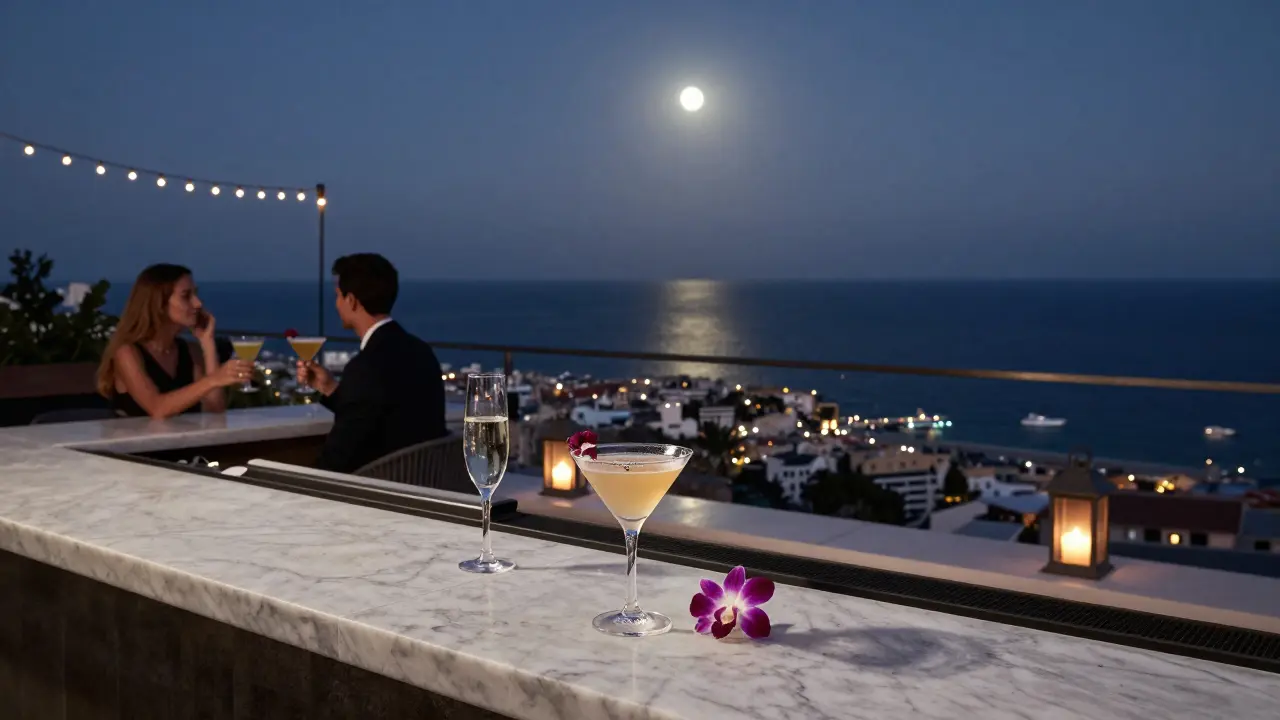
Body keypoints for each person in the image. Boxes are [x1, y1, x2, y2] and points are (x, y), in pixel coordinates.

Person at [297, 253, 448, 473]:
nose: (337, 304)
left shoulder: (365, 366)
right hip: (422, 485)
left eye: (338, 296)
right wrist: (330, 388)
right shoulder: (421, 352)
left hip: (378, 492)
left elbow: (337, 459)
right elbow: (381, 414)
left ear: (352, 300)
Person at [97, 264, 254, 419]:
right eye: (186, 296)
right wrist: (214, 380)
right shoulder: (127, 352)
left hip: (181, 442)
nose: (198, 303)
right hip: (138, 443)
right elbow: (157, 408)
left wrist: (208, 343)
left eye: (195, 294)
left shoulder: (188, 351)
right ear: (159, 303)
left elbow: (214, 410)